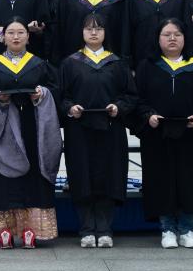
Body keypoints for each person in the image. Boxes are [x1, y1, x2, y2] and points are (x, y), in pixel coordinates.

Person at [0, 18, 61, 249]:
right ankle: (5, 229)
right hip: (2, 128)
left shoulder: (39, 64)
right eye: (10, 32)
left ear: (28, 37)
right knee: (2, 180)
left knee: (33, 176)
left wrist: (42, 95)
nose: (15, 37)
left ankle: (32, 229)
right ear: (2, 37)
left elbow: (56, 91)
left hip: (33, 126)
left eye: (21, 32)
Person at [58, 13, 137, 248]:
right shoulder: (70, 63)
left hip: (110, 129)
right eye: (89, 29)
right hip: (79, 130)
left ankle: (104, 229)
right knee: (82, 176)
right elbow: (61, 96)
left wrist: (118, 107)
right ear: (82, 32)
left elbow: (131, 96)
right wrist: (70, 108)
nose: (94, 33)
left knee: (108, 176)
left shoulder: (117, 63)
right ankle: (85, 229)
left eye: (99, 29)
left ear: (105, 33)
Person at [134, 18, 193, 249]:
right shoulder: (147, 66)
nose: (172, 38)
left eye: (177, 34)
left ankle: (187, 229)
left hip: (190, 134)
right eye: (166, 34)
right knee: (161, 180)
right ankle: (166, 228)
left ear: (185, 38)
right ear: (158, 39)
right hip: (158, 135)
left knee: (189, 180)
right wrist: (148, 115)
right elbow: (137, 99)